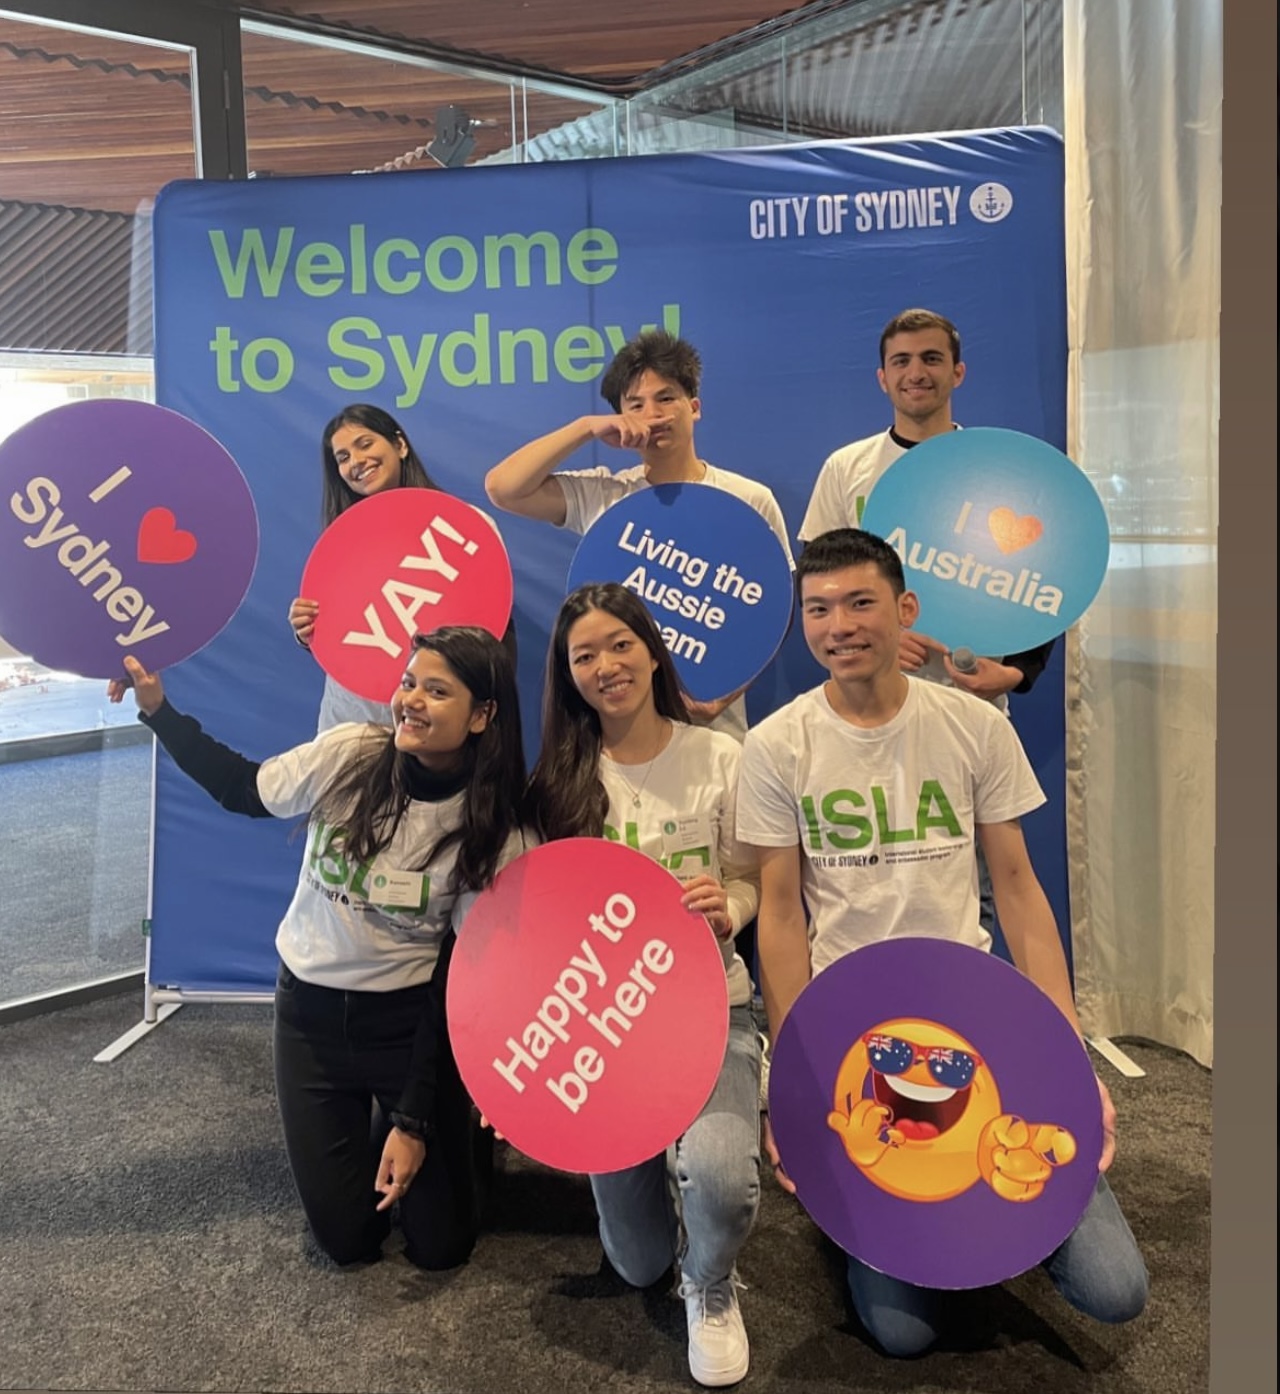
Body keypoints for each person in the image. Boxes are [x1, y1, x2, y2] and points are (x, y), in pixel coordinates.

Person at [736, 529, 1148, 1358]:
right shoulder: (776, 744)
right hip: (857, 1031)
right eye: (819, 609)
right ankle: (905, 1218)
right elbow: (779, 918)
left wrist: (1065, 1050)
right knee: (900, 1333)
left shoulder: (973, 727)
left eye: (861, 603)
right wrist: (795, 1075)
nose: (840, 625)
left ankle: (982, 1217)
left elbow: (1021, 892)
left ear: (905, 610)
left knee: (1117, 1290)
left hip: (974, 1012)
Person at [108, 627, 529, 1271]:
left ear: (482, 715)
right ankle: (386, 1124)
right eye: (408, 682)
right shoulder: (354, 752)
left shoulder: (493, 823)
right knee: (348, 1241)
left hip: (408, 1021)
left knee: (440, 1248)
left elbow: (460, 979)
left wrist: (414, 1121)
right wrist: (158, 709)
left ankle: (441, 1124)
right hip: (309, 1018)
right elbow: (243, 789)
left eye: (436, 691)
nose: (411, 700)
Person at [525, 582, 761, 1388]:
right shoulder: (559, 779)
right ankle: (652, 1196)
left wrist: (728, 905)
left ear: (653, 650)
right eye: (583, 655)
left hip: (710, 1011)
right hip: (607, 1031)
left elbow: (749, 878)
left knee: (723, 1179)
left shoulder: (721, 757)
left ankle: (713, 1283)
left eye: (619, 645)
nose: (605, 666)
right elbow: (539, 923)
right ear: (568, 675)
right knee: (634, 1265)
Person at [483, 330, 794, 743]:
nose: (653, 414)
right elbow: (503, 488)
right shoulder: (606, 495)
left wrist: (725, 694)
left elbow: (775, 611)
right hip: (619, 735)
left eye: (666, 398)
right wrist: (586, 428)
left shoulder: (748, 498)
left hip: (717, 734)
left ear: (694, 406)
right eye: (636, 405)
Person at [798, 308, 1054, 705]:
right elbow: (816, 580)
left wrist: (1019, 670)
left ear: (958, 373)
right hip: (869, 694)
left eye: (931, 359)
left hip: (971, 699)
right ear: (883, 378)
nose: (916, 373)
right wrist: (878, 637)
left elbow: (1046, 577)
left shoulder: (998, 470)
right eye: (901, 361)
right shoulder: (846, 467)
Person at [289, 403, 516, 732]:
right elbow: (345, 638)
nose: (356, 462)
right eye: (342, 458)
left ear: (400, 445)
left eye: (365, 444)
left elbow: (494, 629)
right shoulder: (340, 548)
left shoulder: (465, 527)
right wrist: (308, 629)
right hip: (356, 721)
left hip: (440, 725)